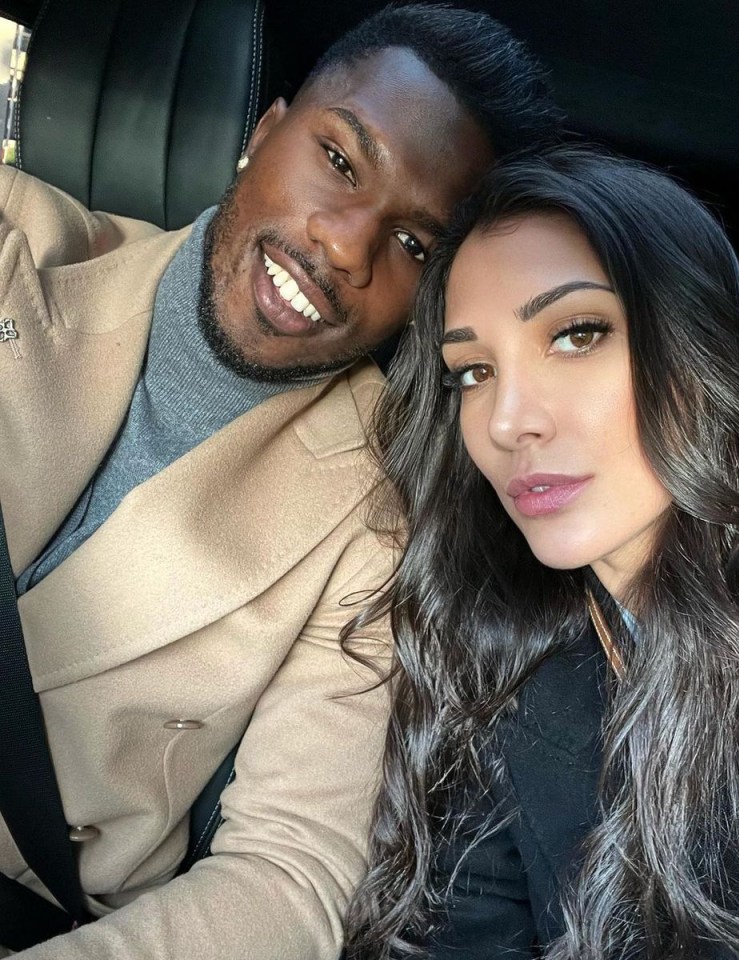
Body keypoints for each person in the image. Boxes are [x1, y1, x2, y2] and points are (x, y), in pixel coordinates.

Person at [0, 6, 562, 959]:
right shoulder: (18, 246)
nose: (345, 247)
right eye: (340, 161)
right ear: (264, 131)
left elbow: (289, 878)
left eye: (415, 246)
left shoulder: (377, 533)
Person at [344, 147, 739, 959]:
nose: (507, 422)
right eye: (470, 373)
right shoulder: (508, 659)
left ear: (699, 348)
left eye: (577, 334)